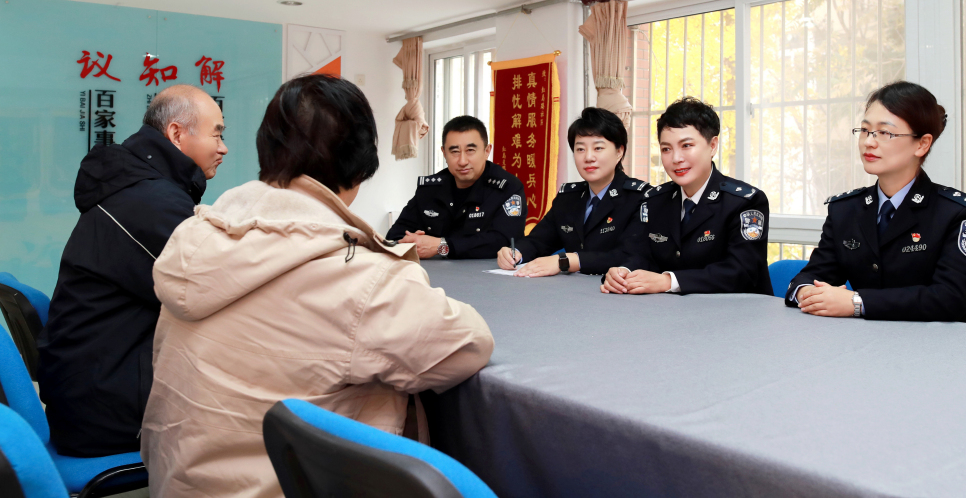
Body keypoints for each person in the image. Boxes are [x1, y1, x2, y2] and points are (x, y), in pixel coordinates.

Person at [141, 75, 494, 498]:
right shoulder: (357, 275)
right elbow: (469, 344)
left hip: (176, 483)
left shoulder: (197, 236)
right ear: (361, 163)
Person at [37, 85, 227, 457]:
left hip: (92, 392)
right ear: (176, 133)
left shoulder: (137, 187)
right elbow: (214, 290)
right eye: (217, 134)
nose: (223, 148)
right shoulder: (150, 202)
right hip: (106, 410)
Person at [785, 81, 966, 322]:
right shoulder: (845, 210)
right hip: (865, 340)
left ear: (922, 144)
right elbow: (811, 277)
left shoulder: (957, 213)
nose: (869, 142)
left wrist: (857, 303)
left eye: (884, 133)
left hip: (940, 341)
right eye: (864, 130)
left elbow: (949, 298)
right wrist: (807, 292)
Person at [602, 97, 773, 296]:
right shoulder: (655, 200)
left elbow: (742, 272)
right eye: (666, 149)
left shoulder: (744, 202)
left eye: (686, 145)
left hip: (737, 311)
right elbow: (639, 253)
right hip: (670, 310)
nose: (676, 158)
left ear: (713, 145)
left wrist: (668, 281)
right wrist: (623, 272)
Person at [496, 107, 648, 277]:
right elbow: (539, 241)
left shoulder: (640, 198)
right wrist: (515, 253)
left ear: (619, 152)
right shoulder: (568, 198)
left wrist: (566, 261)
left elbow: (629, 256)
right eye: (580, 149)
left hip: (614, 289)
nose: (588, 157)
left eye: (598, 148)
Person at [386, 115, 526, 259]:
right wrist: (413, 242)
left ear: (487, 151)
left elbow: (506, 241)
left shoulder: (507, 188)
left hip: (485, 271)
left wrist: (442, 246)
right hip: (431, 270)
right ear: (444, 153)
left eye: (470, 150)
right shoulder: (430, 189)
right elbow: (394, 236)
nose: (462, 161)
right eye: (454, 152)